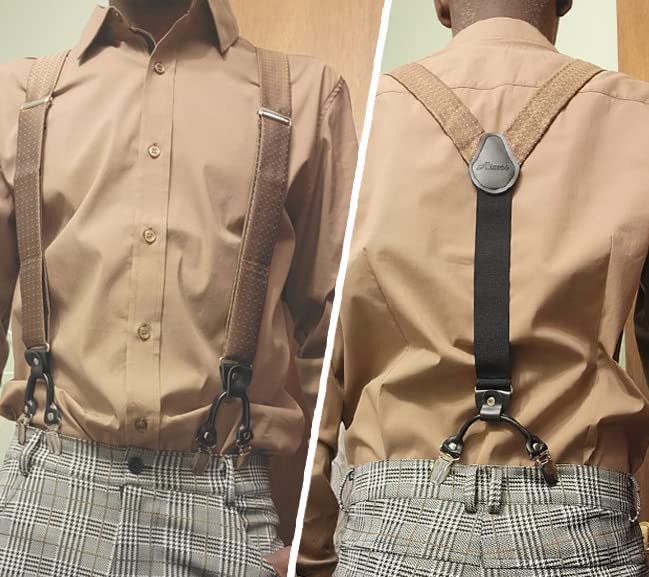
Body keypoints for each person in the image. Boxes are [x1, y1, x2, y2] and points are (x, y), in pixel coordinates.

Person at [0, 1, 357, 576]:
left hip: (226, 508)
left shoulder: (307, 96)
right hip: (46, 504)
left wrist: (310, 540)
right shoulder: (19, 96)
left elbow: (333, 337)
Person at [298, 1, 649, 576]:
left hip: (392, 527)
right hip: (582, 523)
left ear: (440, 4)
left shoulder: (361, 121)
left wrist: (311, 553)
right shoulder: (637, 116)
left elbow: (316, 361)